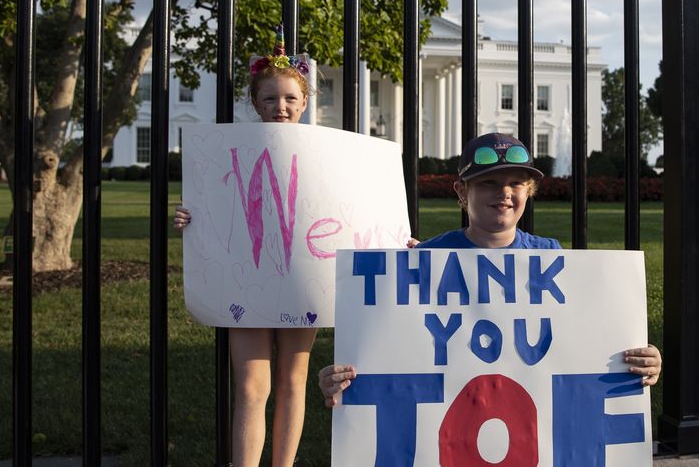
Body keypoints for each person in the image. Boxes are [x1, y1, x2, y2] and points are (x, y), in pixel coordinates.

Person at [318, 132, 662, 407]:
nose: (505, 193)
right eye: (488, 183)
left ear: (529, 192)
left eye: (516, 183)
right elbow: (388, 348)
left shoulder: (550, 257)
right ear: (461, 192)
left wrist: (635, 361)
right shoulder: (426, 259)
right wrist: (341, 380)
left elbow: (581, 343)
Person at [174, 24, 315, 467]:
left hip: (300, 277)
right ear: (255, 103)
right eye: (270, 98)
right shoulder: (229, 149)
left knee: (294, 382)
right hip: (245, 277)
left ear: (305, 103)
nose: (281, 107)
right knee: (252, 386)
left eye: (291, 98)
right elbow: (213, 203)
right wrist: (188, 217)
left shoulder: (325, 153)